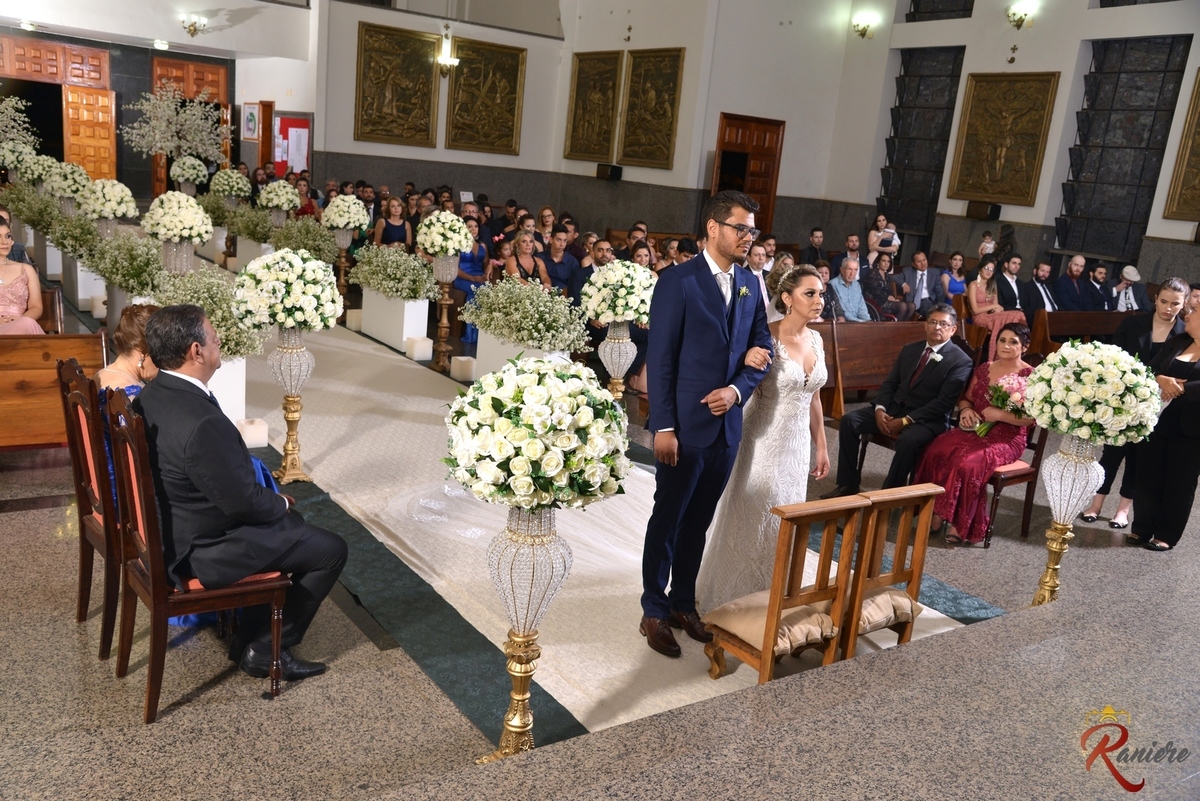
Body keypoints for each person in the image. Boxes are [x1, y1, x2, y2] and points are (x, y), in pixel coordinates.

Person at [136, 305, 347, 679]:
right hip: (199, 548)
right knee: (328, 548)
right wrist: (279, 501)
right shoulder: (200, 421)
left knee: (288, 525)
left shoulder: (152, 395)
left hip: (171, 526)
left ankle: (251, 635)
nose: (220, 344)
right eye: (215, 339)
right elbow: (245, 502)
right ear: (196, 352)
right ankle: (265, 649)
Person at [640, 190, 773, 658]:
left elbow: (763, 348)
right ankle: (653, 609)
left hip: (726, 428)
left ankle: (682, 603)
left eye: (752, 230)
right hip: (684, 425)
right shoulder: (677, 281)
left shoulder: (751, 283)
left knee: (698, 521)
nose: (748, 237)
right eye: (741, 227)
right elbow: (661, 360)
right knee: (668, 518)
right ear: (714, 228)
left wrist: (738, 389)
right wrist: (664, 426)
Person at [695, 264, 829, 611]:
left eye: (821, 294)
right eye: (810, 293)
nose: (819, 301)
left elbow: (813, 396)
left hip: (797, 448)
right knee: (751, 516)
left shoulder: (817, 339)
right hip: (762, 440)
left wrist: (822, 446)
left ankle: (767, 599)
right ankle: (725, 599)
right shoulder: (766, 338)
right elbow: (739, 383)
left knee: (783, 521)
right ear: (787, 298)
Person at [825, 304, 973, 495]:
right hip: (894, 409)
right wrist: (879, 409)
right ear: (925, 325)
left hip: (927, 419)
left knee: (908, 441)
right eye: (933, 322)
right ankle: (847, 484)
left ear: (953, 329)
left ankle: (888, 496)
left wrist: (905, 421)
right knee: (849, 421)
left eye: (943, 324)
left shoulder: (961, 361)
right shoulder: (910, 349)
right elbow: (890, 383)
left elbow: (943, 403)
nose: (937, 327)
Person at [1079, 278, 1188, 529]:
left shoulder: (1183, 334)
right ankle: (1096, 504)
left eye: (1175, 304)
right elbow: (1115, 359)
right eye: (1163, 301)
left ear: (1183, 305)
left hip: (1159, 406)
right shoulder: (1134, 322)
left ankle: (1122, 510)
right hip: (1123, 396)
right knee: (1112, 453)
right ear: (1155, 298)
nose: (1168, 308)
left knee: (1139, 459)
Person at [915, 323, 1035, 545]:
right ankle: (935, 511)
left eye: (1013, 342)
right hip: (975, 429)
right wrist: (967, 409)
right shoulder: (985, 368)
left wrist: (999, 414)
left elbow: (1031, 419)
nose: (1006, 346)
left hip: (1007, 438)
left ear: (1025, 347)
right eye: (1002, 340)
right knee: (935, 449)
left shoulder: (1031, 375)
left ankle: (959, 522)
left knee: (967, 463)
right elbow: (966, 398)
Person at [1132, 306, 1200, 551]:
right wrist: (1162, 379)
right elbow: (1151, 368)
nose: (1187, 315)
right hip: (1159, 421)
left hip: (1193, 429)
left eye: (1194, 310)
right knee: (1148, 476)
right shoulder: (1178, 341)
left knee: (1179, 483)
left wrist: (1183, 388)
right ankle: (1141, 528)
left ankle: (1165, 535)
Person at [968, 260, 1027, 359]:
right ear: (979, 270)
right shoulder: (973, 285)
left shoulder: (992, 285)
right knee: (1015, 315)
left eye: (991, 269)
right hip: (980, 317)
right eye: (986, 268)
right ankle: (996, 356)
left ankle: (1016, 347)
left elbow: (997, 306)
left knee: (1019, 314)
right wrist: (993, 307)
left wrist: (996, 309)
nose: (989, 271)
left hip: (992, 316)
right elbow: (975, 310)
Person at [0, 220, 42, 335]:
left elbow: (36, 307)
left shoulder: (26, 269)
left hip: (21, 328)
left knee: (28, 324)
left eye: (7, 236)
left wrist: (19, 322)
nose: (4, 242)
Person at [454, 215, 491, 344]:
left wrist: (489, 267)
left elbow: (486, 263)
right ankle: (470, 335)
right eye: (469, 226)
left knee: (488, 290)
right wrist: (472, 278)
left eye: (476, 226)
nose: (473, 229)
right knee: (476, 290)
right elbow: (455, 269)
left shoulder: (483, 246)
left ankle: (482, 333)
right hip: (462, 278)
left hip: (479, 278)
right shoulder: (458, 245)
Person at [862, 252, 914, 320]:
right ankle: (895, 328)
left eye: (888, 261)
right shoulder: (872, 273)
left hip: (885, 300)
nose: (886, 263)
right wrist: (888, 297)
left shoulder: (887, 276)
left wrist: (892, 298)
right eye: (883, 261)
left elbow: (888, 291)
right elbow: (875, 291)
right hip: (875, 302)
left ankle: (901, 326)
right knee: (903, 306)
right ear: (878, 262)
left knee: (912, 306)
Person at [899, 251, 945, 318]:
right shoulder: (908, 271)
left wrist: (940, 307)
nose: (923, 263)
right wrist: (903, 284)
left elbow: (940, 292)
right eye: (919, 261)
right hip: (913, 302)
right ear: (913, 264)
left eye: (924, 260)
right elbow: (893, 277)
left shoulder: (934, 272)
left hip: (929, 301)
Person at [538, 224, 579, 294]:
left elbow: (574, 286)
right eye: (559, 240)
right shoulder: (540, 258)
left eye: (565, 240)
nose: (562, 244)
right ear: (551, 240)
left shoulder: (572, 262)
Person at [829, 257, 871, 322]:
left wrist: (868, 321)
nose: (852, 273)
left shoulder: (856, 285)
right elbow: (841, 310)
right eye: (849, 269)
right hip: (844, 323)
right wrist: (859, 321)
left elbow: (862, 307)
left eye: (855, 270)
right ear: (841, 270)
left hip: (859, 323)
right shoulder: (832, 284)